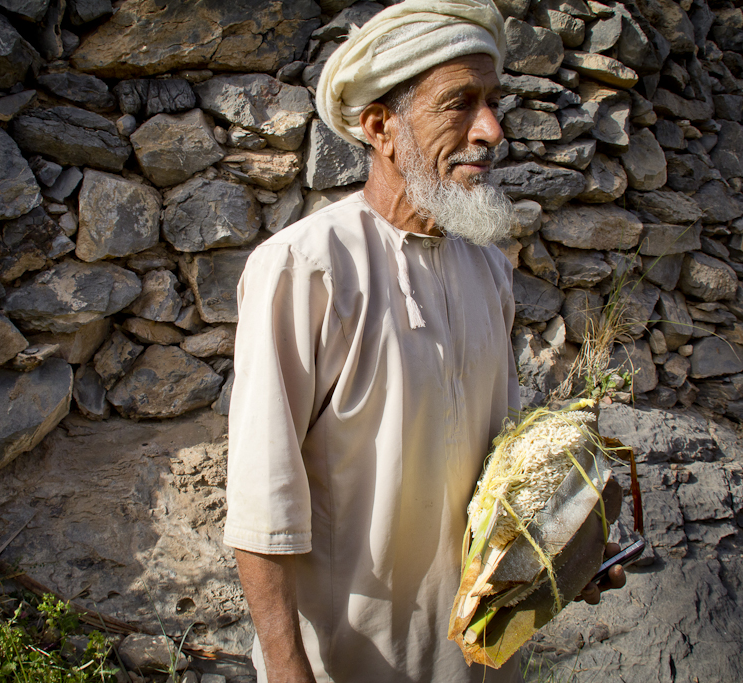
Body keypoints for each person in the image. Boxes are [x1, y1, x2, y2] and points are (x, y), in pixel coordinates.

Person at [222, 1, 626, 681]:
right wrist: (290, 672)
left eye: (493, 102)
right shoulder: (305, 268)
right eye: (460, 104)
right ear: (382, 126)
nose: (492, 130)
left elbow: (496, 479)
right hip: (346, 662)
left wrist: (562, 554)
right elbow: (264, 501)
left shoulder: (488, 268)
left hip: (475, 656)